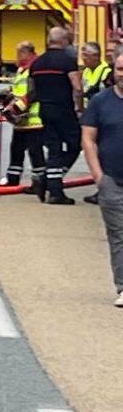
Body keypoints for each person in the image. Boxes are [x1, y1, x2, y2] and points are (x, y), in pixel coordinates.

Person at [79, 48, 123, 307]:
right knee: (119, 235)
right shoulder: (100, 102)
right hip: (112, 181)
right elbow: (88, 138)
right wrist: (98, 177)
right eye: (120, 69)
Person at [29, 24, 84, 205]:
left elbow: (31, 91)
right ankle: (50, 183)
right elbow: (77, 87)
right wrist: (80, 108)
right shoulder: (67, 61)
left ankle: (52, 187)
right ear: (62, 41)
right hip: (64, 110)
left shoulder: (37, 63)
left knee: (54, 150)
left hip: (45, 110)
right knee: (75, 144)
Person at [1, 41, 44, 192]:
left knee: (35, 151)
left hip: (33, 119)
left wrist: (18, 107)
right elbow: (18, 90)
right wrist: (6, 100)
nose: (17, 57)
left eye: (19, 53)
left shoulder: (35, 68)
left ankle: (40, 183)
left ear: (27, 53)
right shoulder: (21, 70)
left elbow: (34, 92)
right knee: (16, 149)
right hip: (21, 119)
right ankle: (12, 179)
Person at [79, 42, 113, 202]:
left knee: (104, 156)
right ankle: (101, 189)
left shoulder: (106, 72)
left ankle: (105, 191)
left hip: (104, 119)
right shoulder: (86, 71)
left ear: (96, 56)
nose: (83, 59)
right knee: (95, 155)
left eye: (86, 55)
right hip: (91, 119)